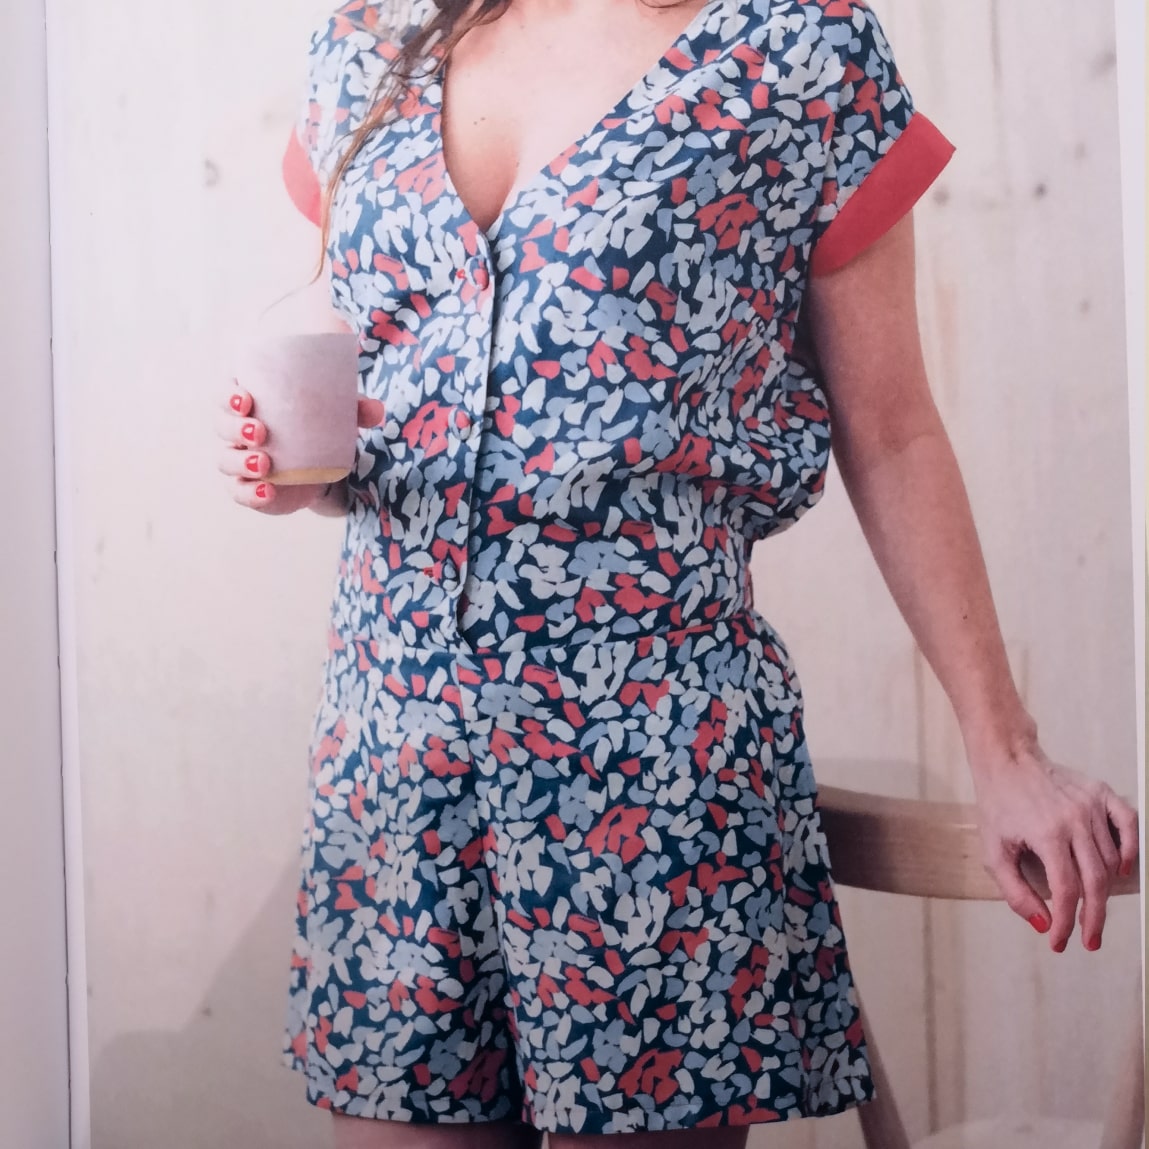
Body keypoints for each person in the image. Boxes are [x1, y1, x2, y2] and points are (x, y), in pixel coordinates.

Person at [216, 0, 1141, 1145]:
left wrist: (1007, 753)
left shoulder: (798, 50)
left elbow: (894, 429)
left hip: (650, 777)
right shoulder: (368, 40)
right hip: (395, 759)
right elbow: (350, 357)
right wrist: (295, 469)